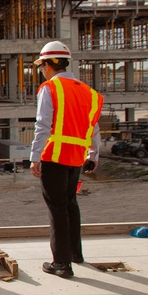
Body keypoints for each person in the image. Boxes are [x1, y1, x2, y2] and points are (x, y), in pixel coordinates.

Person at [30, 41, 103, 279]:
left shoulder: (50, 88)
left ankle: (61, 263)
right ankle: (74, 254)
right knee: (70, 204)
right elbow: (94, 128)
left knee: (57, 208)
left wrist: (34, 157)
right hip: (76, 158)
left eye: (42, 65)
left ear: (49, 64)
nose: (41, 70)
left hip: (54, 156)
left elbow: (43, 125)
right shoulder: (89, 92)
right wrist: (93, 155)